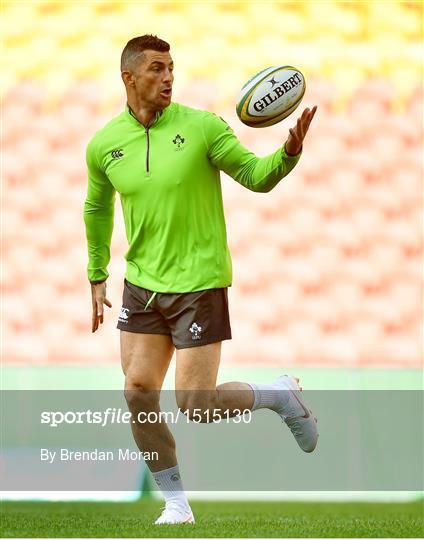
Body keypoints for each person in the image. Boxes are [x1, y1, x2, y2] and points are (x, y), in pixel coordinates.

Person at [84, 34, 318, 525]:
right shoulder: (104, 144)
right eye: (155, 69)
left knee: (195, 403)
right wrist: (97, 273)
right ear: (129, 77)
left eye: (171, 67)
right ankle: (176, 504)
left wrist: (288, 154)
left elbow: (255, 175)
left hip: (199, 282)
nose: (168, 76)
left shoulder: (203, 127)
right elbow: (97, 208)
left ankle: (278, 395)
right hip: (142, 284)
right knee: (137, 392)